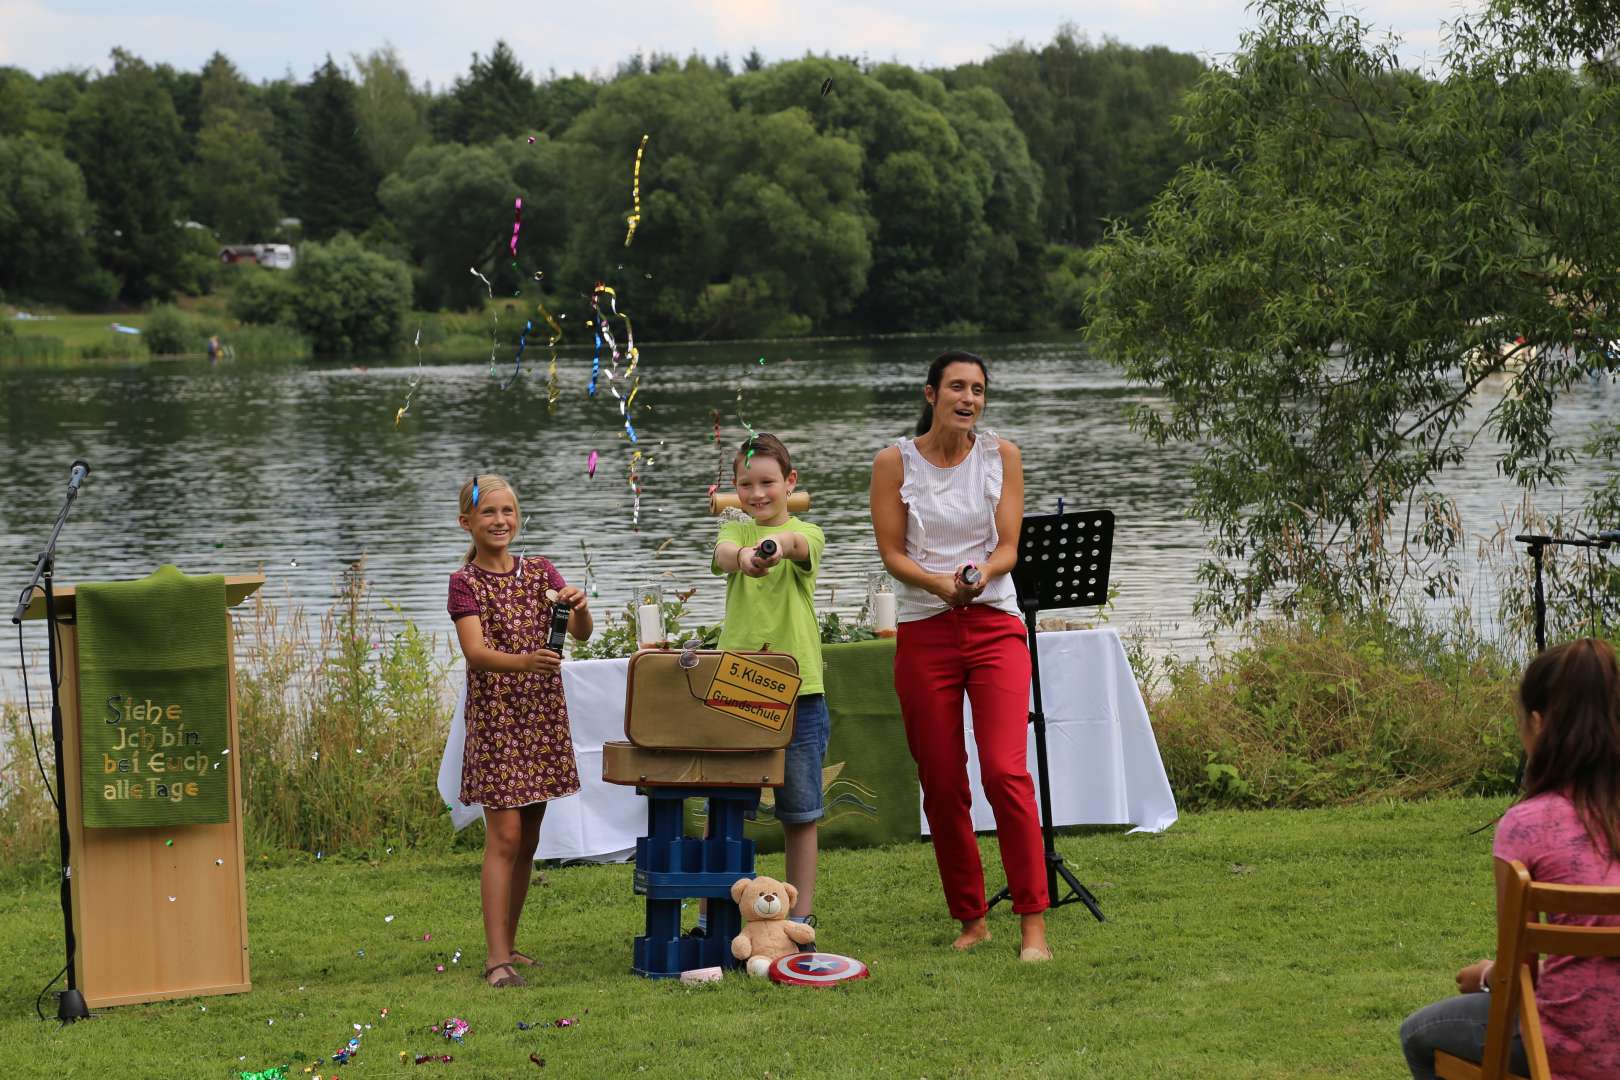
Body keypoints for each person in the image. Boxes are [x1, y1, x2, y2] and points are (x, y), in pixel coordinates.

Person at [868, 350, 1050, 961]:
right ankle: (972, 918)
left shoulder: (1003, 456)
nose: (968, 399)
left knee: (1004, 771)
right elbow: (893, 554)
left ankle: (1033, 924)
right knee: (943, 783)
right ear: (930, 394)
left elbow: (1007, 548)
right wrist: (939, 585)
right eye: (956, 388)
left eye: (977, 390)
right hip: (925, 631)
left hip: (994, 624)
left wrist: (976, 576)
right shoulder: (893, 463)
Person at [1399, 638, 1620, 1079]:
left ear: (1537, 725)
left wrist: (1485, 975)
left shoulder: (1526, 824)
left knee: (1418, 1034)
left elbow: (1516, 975)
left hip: (1565, 1049)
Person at [447, 473, 592, 988]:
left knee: (529, 837)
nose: (500, 521)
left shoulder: (540, 570)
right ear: (467, 522)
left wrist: (579, 606)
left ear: (518, 516)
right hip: (498, 722)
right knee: (503, 836)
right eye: (488, 513)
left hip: (541, 718)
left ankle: (509, 946)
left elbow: (581, 633)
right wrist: (527, 663)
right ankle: (494, 960)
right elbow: (476, 653)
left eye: (508, 511)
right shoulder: (464, 582)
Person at [705, 433, 829, 932]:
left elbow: (799, 546)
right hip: (739, 685)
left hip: (800, 690)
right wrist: (749, 558)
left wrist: (776, 548)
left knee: (800, 812)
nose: (758, 494)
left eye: (768, 483)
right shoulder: (733, 532)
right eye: (746, 484)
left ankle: (797, 918)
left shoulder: (809, 531)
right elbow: (725, 557)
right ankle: (715, 914)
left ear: (789, 483)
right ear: (735, 489)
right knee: (727, 808)